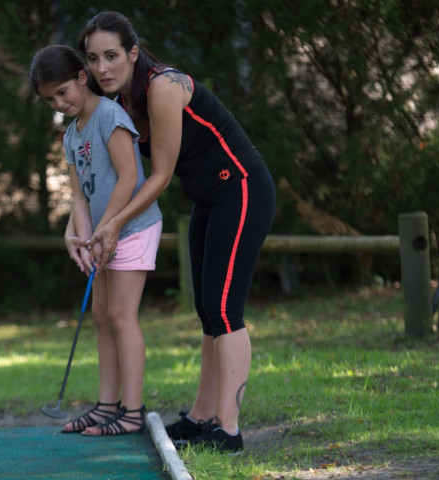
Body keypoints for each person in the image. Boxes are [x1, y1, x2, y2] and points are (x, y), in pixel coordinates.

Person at [78, 12, 276, 453]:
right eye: (93, 59)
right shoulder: (117, 96)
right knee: (207, 310)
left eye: (111, 56)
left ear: (133, 53)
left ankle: (228, 428)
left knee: (224, 309)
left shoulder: (164, 88)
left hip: (241, 189)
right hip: (208, 199)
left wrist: (112, 224)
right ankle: (201, 417)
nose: (102, 67)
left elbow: (160, 176)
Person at [29, 45, 163, 436]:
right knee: (102, 317)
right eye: (50, 98)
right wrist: (84, 240)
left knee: (122, 317)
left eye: (63, 91)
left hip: (134, 227)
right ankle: (107, 406)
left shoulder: (109, 116)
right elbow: (80, 197)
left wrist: (108, 229)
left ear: (82, 78)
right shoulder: (71, 136)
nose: (59, 101)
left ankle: (133, 412)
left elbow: (128, 179)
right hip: (105, 232)